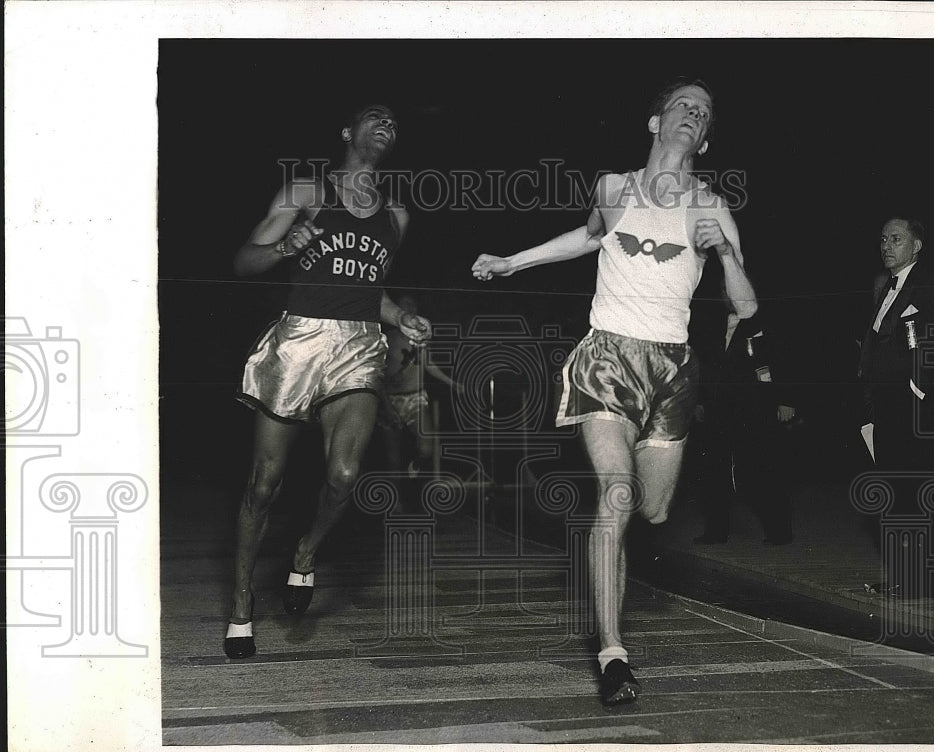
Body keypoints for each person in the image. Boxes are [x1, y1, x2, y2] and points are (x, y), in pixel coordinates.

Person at [472, 79, 757, 705]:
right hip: (608, 355)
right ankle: (612, 653)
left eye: (704, 112)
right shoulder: (612, 187)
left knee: (651, 510)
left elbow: (746, 303)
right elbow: (589, 236)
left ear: (706, 140)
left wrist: (725, 256)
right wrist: (511, 261)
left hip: (674, 370)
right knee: (617, 493)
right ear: (655, 122)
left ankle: (611, 624)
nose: (692, 113)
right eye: (683, 104)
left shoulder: (711, 206)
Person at [224, 104, 432, 659]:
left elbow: (368, 291)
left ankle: (306, 553)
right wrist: (279, 250)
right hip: (299, 339)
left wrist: (400, 317)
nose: (387, 122)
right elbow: (243, 261)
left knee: (344, 474)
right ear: (347, 132)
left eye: (394, 119)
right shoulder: (306, 192)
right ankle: (241, 603)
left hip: (359, 343)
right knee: (264, 482)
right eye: (374, 116)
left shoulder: (397, 214)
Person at [858, 216, 934, 599]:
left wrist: (920, 390)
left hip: (911, 410)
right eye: (883, 239)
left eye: (896, 239)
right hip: (884, 408)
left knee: (915, 495)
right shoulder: (886, 289)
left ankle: (927, 581)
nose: (886, 245)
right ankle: (905, 577)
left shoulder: (929, 286)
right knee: (895, 497)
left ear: (916, 246)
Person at [689, 281, 797, 545]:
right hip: (717, 409)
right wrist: (698, 401)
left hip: (754, 409)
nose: (730, 295)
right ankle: (716, 531)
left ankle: (778, 531)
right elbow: (701, 366)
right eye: (725, 290)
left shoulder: (766, 322)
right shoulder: (711, 325)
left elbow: (783, 361)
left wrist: (786, 400)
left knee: (759, 471)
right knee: (713, 470)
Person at [377, 293, 463, 492]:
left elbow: (429, 365)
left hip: (415, 397)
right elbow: (377, 374)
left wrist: (453, 384)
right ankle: (394, 501)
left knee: (426, 448)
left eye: (413, 307)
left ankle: (413, 471)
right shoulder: (388, 338)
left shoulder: (420, 338)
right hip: (390, 400)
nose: (410, 310)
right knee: (392, 458)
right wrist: (386, 405)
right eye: (405, 306)